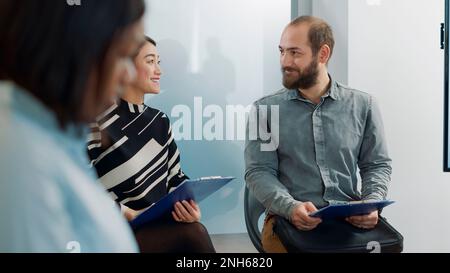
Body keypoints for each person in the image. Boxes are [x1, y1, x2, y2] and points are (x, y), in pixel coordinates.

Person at [0, 0, 146, 252]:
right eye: (123, 55)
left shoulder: (53, 137)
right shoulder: (21, 157)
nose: (129, 75)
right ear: (77, 47)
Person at [244, 16, 392, 253]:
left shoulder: (364, 105)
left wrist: (371, 203)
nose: (285, 61)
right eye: (281, 51)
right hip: (289, 222)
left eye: (294, 53)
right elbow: (259, 172)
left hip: (348, 222)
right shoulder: (265, 111)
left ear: (323, 54)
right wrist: (290, 207)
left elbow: (376, 165)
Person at [87, 36, 216, 253]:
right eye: (150, 61)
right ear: (125, 68)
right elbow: (81, 188)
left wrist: (189, 207)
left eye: (159, 62)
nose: (159, 71)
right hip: (115, 232)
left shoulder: (160, 121)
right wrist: (125, 212)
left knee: (194, 229)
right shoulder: (95, 123)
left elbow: (176, 178)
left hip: (159, 228)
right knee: (194, 235)